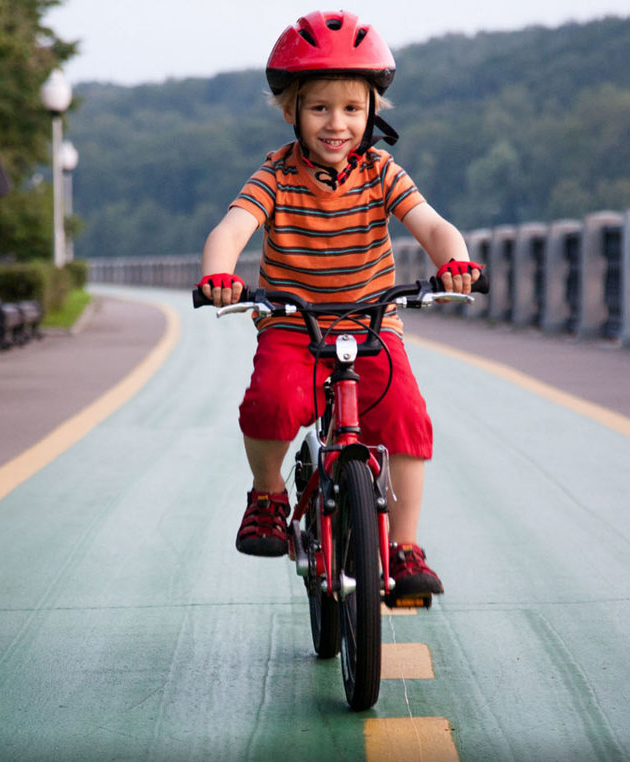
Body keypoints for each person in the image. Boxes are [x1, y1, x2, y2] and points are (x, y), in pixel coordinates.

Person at [198, 10, 482, 602]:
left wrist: (455, 261)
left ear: (372, 113)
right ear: (292, 112)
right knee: (274, 402)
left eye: (352, 109)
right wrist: (219, 275)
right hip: (291, 322)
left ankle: (404, 548)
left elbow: (430, 225)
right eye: (320, 108)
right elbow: (231, 229)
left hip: (372, 320)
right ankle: (269, 496)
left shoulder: (381, 172)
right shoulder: (275, 176)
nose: (337, 124)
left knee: (404, 417)